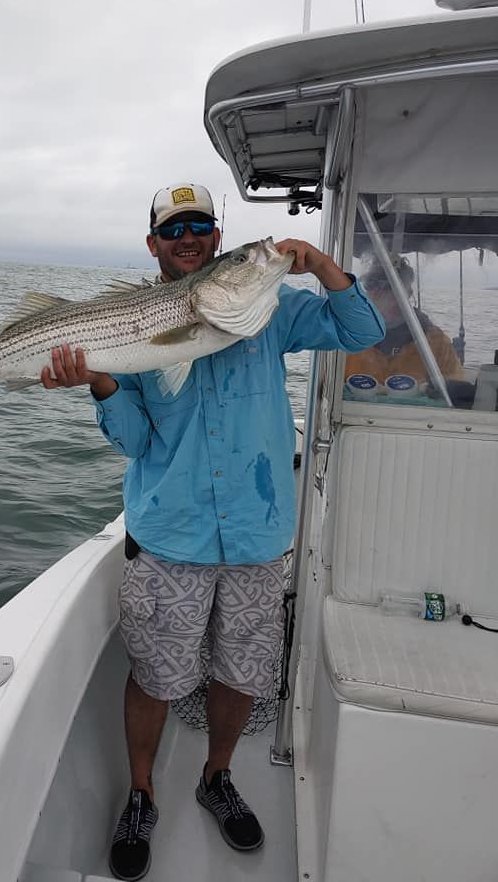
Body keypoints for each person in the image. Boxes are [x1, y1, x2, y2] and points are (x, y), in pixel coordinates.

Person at [41, 183, 385, 881]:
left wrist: (319, 264)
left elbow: (363, 333)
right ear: (154, 244)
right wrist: (100, 385)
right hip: (172, 534)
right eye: (174, 229)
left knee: (241, 671)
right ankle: (141, 794)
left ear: (217, 238)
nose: (188, 236)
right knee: (155, 674)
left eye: (201, 225)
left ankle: (216, 777)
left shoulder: (276, 310)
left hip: (258, 533)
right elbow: (136, 443)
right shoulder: (133, 325)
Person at [344, 254, 463, 383]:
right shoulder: (348, 335)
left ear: (406, 292)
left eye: (385, 286)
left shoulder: (435, 341)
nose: (376, 292)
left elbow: (454, 385)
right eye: (370, 285)